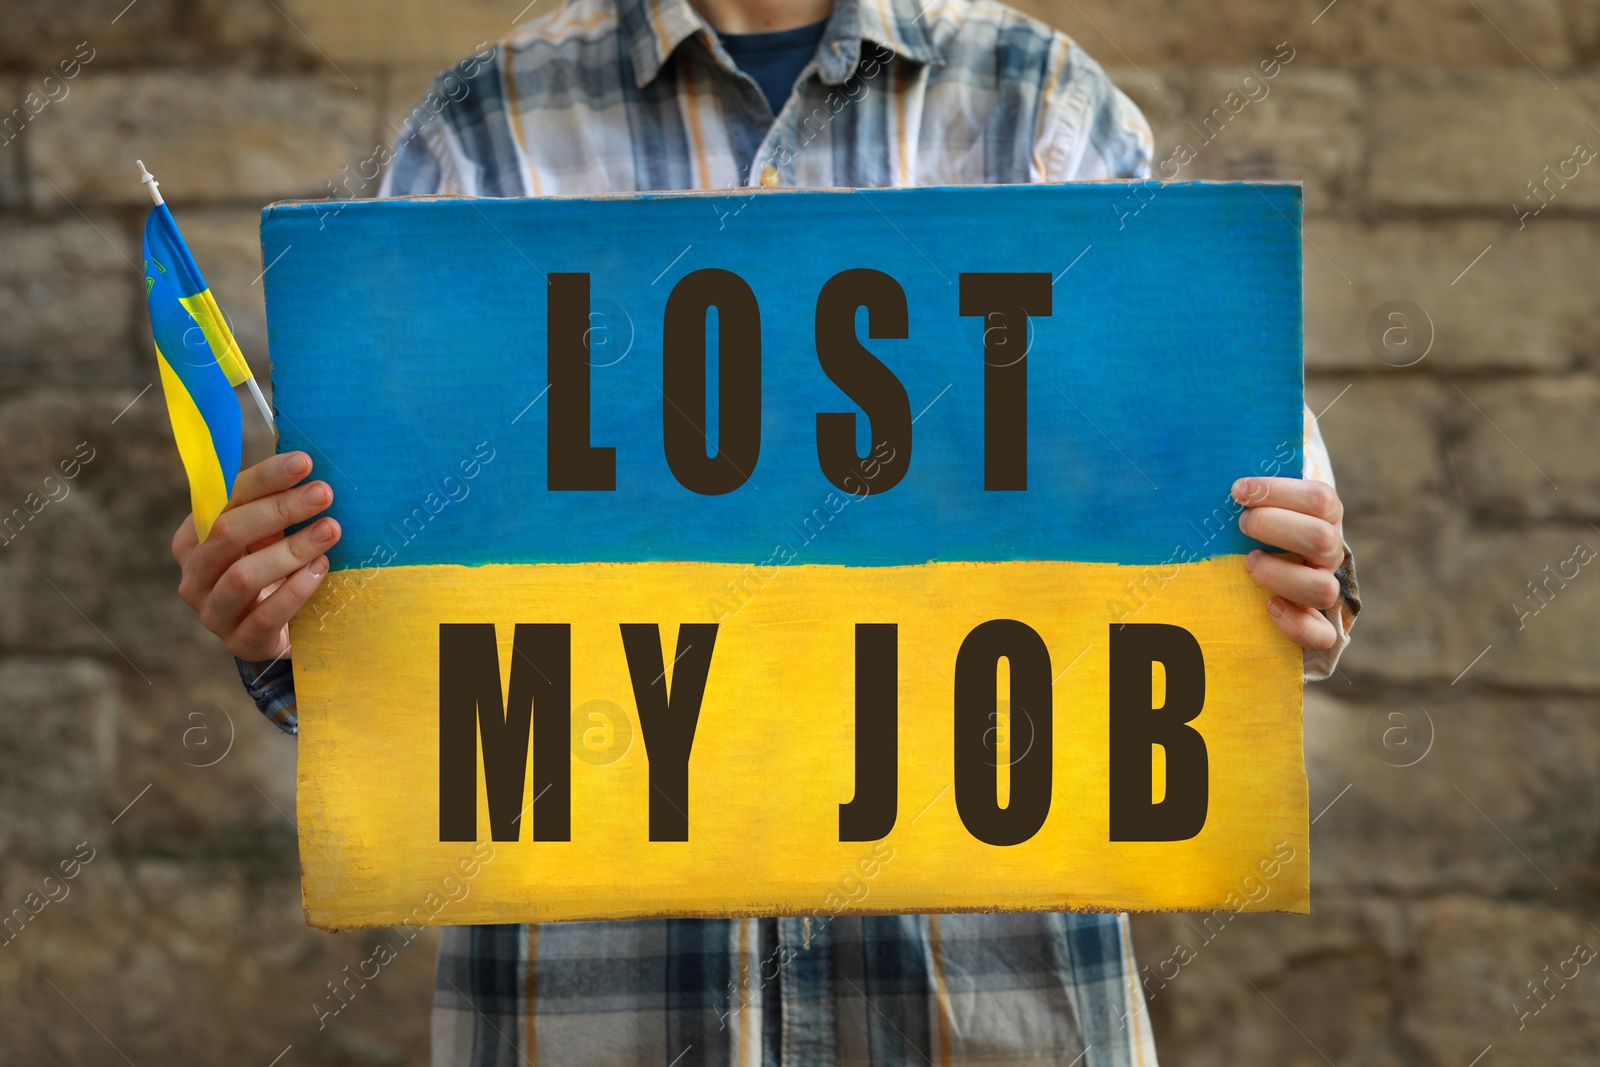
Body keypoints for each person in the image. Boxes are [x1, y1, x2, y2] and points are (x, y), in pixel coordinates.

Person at [171, 0, 1361, 1063]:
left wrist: (1292, 580)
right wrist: (286, 614)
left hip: (999, 1001)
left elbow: (1207, 510)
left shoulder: (1041, 105)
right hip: (592, 1010)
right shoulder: (487, 132)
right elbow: (399, 632)